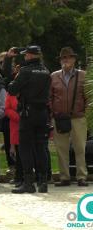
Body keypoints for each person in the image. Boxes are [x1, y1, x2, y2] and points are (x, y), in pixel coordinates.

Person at [7, 45, 51, 193]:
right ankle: (43, 182)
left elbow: (12, 89)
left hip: (28, 113)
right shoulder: (46, 71)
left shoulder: (25, 72)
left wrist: (15, 79)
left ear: (31, 56)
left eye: (26, 55)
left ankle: (28, 183)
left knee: (25, 148)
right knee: (41, 147)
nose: (25, 57)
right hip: (42, 113)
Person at [50, 47, 89, 187]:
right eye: (63, 58)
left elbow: (89, 98)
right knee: (61, 149)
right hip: (59, 118)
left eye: (68, 57)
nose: (66, 60)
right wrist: (52, 114)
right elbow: (50, 97)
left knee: (80, 148)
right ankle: (64, 177)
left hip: (78, 117)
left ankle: (81, 177)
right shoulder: (54, 76)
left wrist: (85, 114)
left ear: (74, 59)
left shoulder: (83, 75)